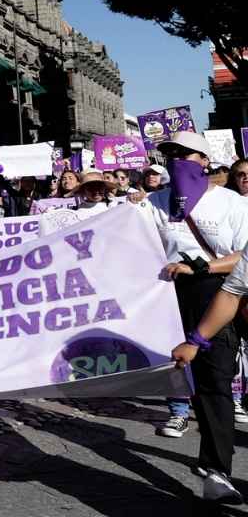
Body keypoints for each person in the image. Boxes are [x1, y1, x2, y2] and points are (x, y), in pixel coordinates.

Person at [145, 132, 248, 503]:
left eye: (183, 153)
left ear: (204, 160)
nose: (175, 159)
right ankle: (179, 415)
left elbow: (244, 255)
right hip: (166, 295)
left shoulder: (232, 204)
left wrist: (202, 267)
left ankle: (216, 470)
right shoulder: (154, 203)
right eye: (168, 153)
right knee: (180, 377)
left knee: (214, 381)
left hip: (218, 292)